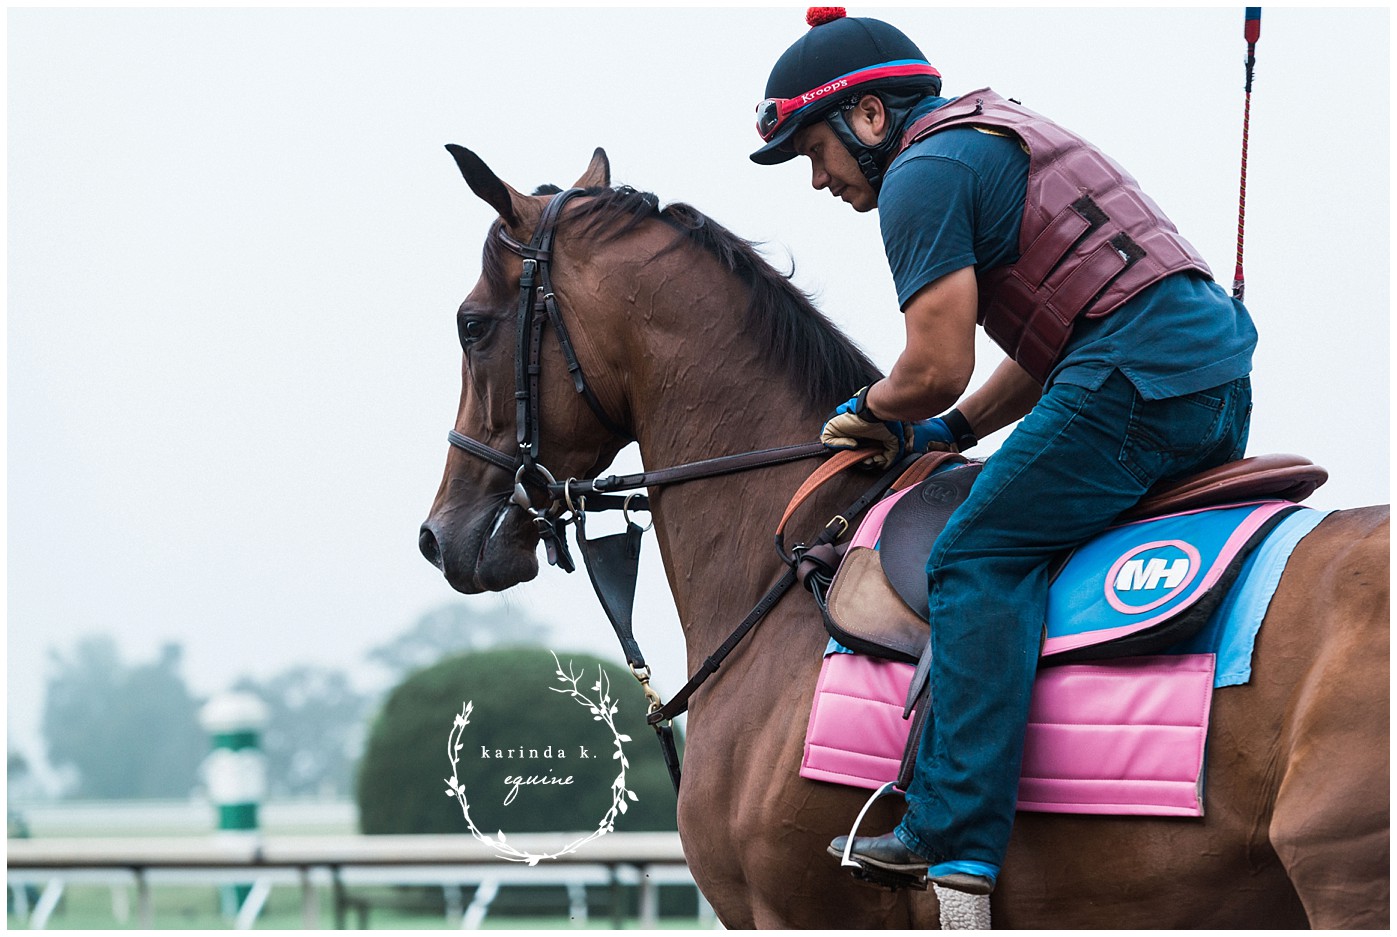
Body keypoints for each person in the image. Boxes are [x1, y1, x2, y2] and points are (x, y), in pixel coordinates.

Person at [751, 8, 1256, 896]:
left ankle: (952, 835)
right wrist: (953, 435)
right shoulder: (1000, 129)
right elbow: (1057, 335)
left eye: (812, 150)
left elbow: (934, 365)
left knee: (977, 552)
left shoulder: (921, 172)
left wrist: (871, 408)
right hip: (1209, 379)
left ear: (869, 117)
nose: (817, 178)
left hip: (1130, 383)